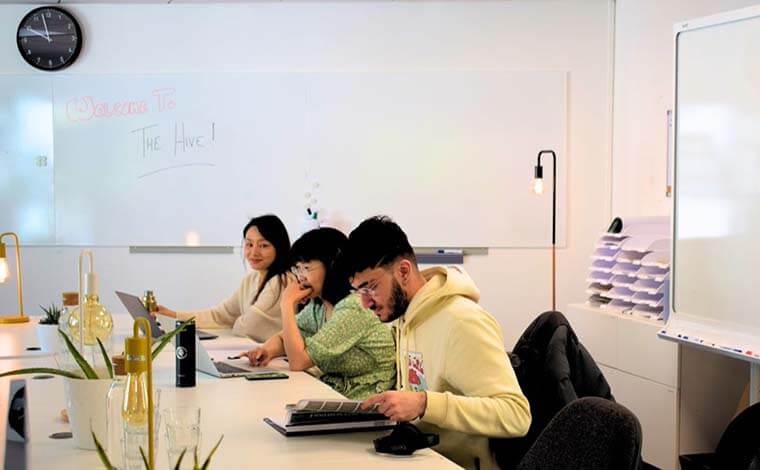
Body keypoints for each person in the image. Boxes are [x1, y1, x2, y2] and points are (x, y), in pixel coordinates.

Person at [346, 216, 531, 470]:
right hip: (420, 456)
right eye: (359, 292)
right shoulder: (406, 318)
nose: (365, 303)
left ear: (403, 271)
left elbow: (516, 415)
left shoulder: (461, 321)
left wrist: (425, 404)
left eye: (371, 288)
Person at [242, 227, 396, 400]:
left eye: (306, 268)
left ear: (332, 265)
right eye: (297, 269)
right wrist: (266, 351)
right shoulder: (319, 306)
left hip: (368, 403)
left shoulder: (353, 308)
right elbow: (284, 337)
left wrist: (287, 303)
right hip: (338, 395)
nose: (300, 277)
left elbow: (298, 362)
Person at [157, 214, 290, 343]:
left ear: (279, 247)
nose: (253, 252)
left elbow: (248, 328)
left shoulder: (281, 281)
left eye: (263, 245)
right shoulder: (251, 279)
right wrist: (173, 315)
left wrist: (236, 320)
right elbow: (220, 315)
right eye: (249, 244)